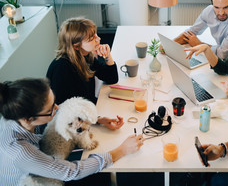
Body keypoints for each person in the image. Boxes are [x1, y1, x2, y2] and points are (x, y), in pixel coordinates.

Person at [0, 78, 143, 186]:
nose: (57, 108)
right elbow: (71, 172)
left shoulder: (14, 110)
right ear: (28, 119)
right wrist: (121, 150)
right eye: (51, 109)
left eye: (54, 101)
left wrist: (96, 120)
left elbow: (62, 114)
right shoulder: (19, 151)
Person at [46, 17, 120, 130]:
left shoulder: (85, 55)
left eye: (96, 35)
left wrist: (107, 56)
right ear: (76, 46)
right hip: (71, 126)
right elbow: (64, 111)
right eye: (91, 38)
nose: (98, 39)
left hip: (89, 113)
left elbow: (111, 78)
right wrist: (96, 119)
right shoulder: (61, 68)